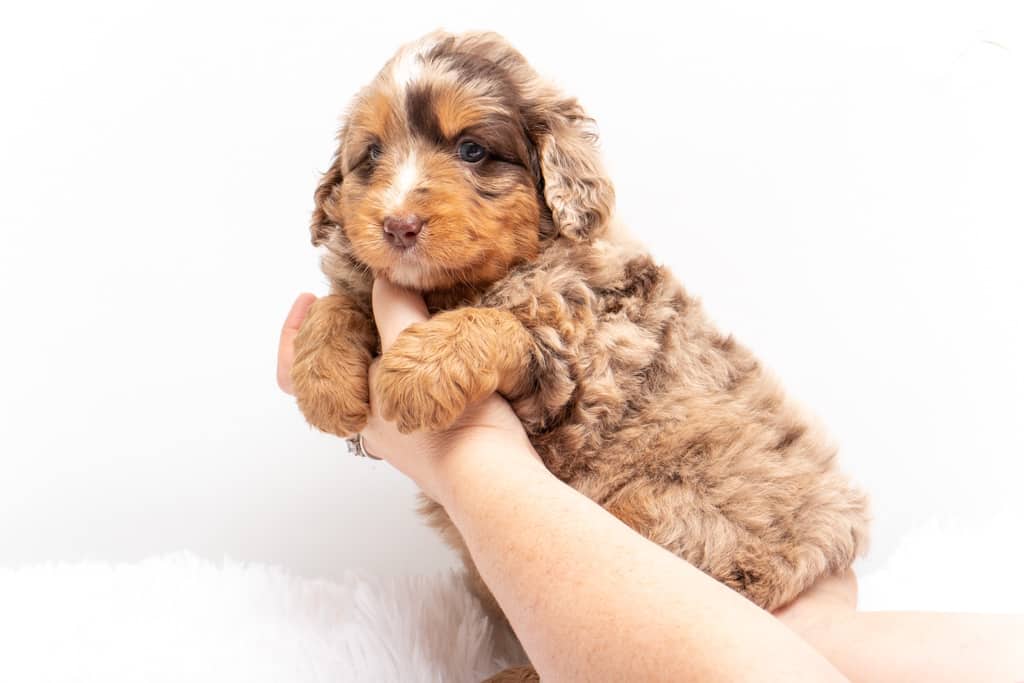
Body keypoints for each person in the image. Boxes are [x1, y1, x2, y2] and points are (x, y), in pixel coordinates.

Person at [278, 280, 1024, 683]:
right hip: (766, 590)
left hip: (726, 517)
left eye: (475, 151)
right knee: (804, 638)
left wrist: (465, 452)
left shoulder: (571, 274)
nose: (402, 202)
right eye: (370, 158)